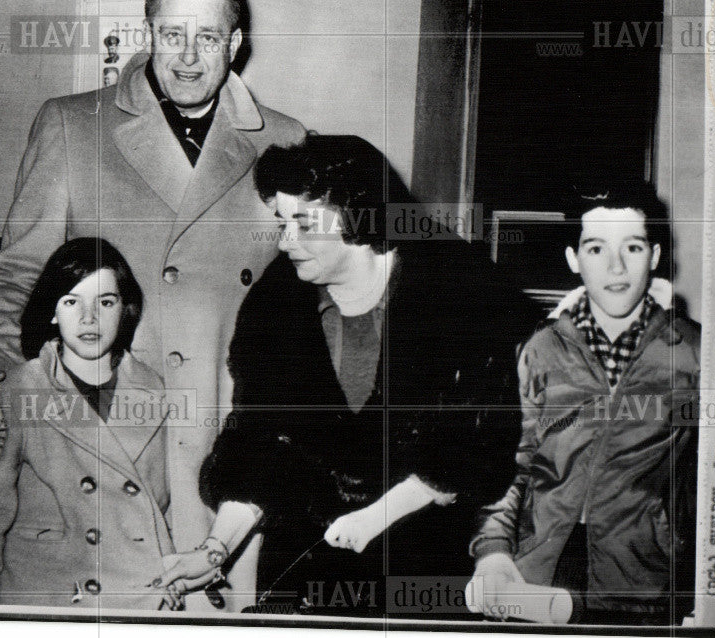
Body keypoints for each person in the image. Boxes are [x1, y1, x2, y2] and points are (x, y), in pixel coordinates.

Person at [0, 0, 305, 609]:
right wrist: (1, 398)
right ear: (148, 30)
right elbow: (15, 281)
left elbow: (308, 318)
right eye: (172, 33)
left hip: (229, 463)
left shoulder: (287, 142)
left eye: (207, 37)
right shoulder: (71, 125)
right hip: (92, 451)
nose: (187, 56)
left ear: (235, 44)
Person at [154, 135, 542, 615]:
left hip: (429, 570)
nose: (283, 240)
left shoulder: (461, 291)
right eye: (281, 222)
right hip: (306, 570)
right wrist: (215, 550)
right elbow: (258, 443)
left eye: (301, 223)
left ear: (356, 213)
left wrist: (375, 518)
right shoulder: (276, 305)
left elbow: (477, 447)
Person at [468, 184, 700, 625]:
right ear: (573, 259)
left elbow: (710, 488)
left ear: (654, 256)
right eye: (596, 249)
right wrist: (494, 553)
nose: (615, 267)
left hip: (641, 587)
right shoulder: (538, 350)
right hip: (537, 578)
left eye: (632, 247)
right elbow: (509, 470)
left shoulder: (696, 353)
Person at [0, 238, 172, 609]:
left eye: (105, 302)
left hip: (138, 595)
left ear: (125, 310)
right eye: (71, 301)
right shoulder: (18, 390)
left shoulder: (153, 389)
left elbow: (160, 503)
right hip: (47, 595)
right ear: (52, 311)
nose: (89, 319)